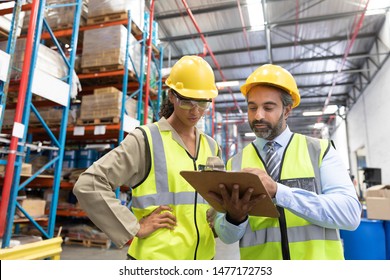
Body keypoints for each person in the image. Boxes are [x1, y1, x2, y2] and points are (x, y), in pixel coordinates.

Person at [73, 55, 222, 260]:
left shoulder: (212, 147)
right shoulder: (146, 139)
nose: (195, 111)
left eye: (203, 102)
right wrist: (133, 226)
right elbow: (89, 184)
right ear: (171, 96)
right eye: (187, 102)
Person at [210, 64, 362, 260]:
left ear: (287, 110)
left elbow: (350, 215)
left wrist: (279, 192)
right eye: (252, 107)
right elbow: (227, 237)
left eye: (268, 107)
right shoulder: (235, 163)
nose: (258, 116)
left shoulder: (319, 151)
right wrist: (234, 218)